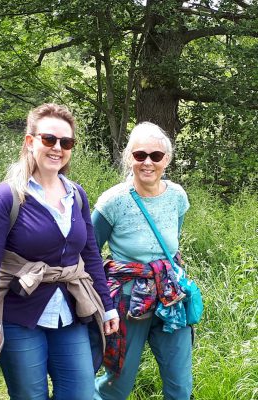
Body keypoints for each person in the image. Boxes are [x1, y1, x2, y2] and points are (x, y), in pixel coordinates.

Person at [0, 104, 118, 399]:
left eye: (66, 142)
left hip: (71, 313)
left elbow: (90, 255)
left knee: (80, 394)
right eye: (49, 139)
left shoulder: (76, 194)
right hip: (20, 314)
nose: (57, 148)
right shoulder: (7, 196)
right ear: (30, 141)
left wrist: (107, 304)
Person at [93, 122, 192, 400]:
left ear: (167, 160)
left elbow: (172, 247)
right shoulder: (113, 201)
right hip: (128, 302)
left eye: (156, 156)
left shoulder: (177, 197)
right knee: (117, 385)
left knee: (180, 385)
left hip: (171, 298)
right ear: (129, 158)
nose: (147, 162)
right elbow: (88, 252)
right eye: (139, 155)